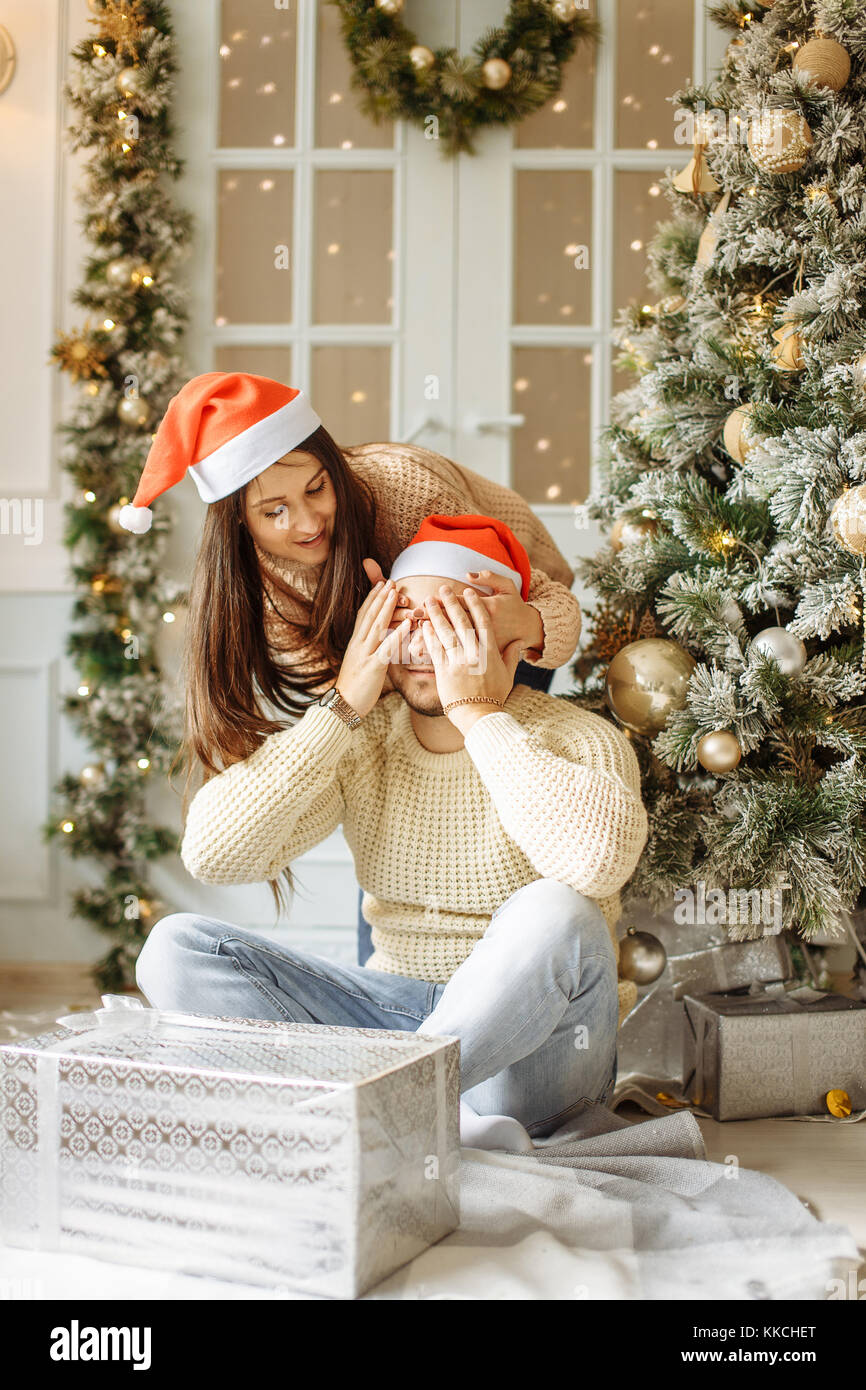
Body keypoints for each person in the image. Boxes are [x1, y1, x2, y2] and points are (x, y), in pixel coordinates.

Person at [135, 514, 648, 1153]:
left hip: (535, 1062)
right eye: (404, 618)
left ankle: (386, 1104)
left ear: (505, 636)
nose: (421, 642)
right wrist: (343, 705)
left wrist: (478, 714)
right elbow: (213, 853)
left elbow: (597, 865)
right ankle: (416, 1101)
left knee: (559, 907)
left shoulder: (578, 738)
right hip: (401, 1017)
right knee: (175, 948)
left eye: (449, 621)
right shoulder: (365, 739)